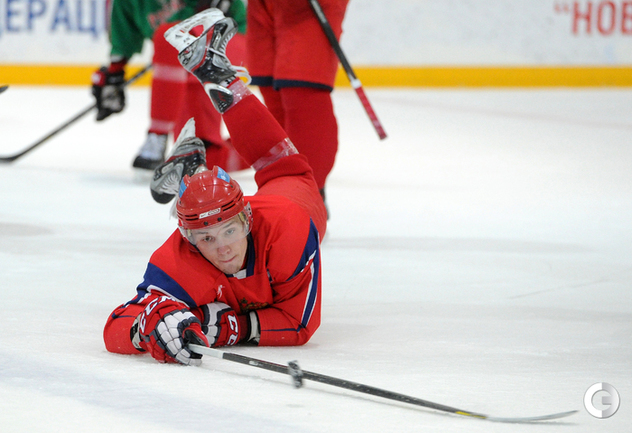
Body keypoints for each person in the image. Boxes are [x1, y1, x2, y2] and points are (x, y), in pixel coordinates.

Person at [103, 9, 328, 365]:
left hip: (284, 205)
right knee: (274, 170)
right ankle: (197, 169)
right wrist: (145, 327)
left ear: (247, 219)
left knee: (287, 170)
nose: (222, 249)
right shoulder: (182, 255)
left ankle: (197, 162)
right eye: (206, 238)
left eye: (229, 232)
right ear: (187, 237)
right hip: (230, 215)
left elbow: (299, 323)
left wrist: (224, 327)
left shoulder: (288, 226)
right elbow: (116, 326)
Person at [91, 0, 248, 173]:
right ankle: (269, 148)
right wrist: (114, 75)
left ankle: (156, 138)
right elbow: (124, 38)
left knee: (170, 39)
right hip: (188, 66)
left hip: (230, 38)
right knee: (198, 157)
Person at [245, 0, 350, 208]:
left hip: (308, 7)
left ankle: (308, 194)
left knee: (301, 93)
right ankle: (284, 188)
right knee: (272, 93)